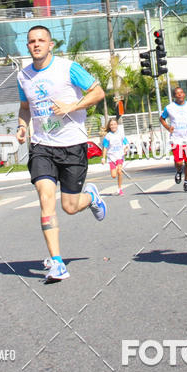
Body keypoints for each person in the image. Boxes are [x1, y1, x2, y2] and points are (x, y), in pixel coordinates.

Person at [16, 25, 106, 282]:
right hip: (42, 147)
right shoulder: (24, 76)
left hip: (72, 145)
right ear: (28, 46)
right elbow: (25, 107)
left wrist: (72, 105)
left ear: (51, 44)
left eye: (41, 40)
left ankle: (91, 197)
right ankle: (57, 262)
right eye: (32, 41)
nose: (36, 44)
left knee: (69, 206)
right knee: (46, 198)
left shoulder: (68, 68)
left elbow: (98, 92)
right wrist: (22, 127)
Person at [159, 87, 187, 192]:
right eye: (177, 93)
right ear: (174, 96)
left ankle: (186, 183)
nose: (180, 95)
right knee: (178, 162)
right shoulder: (169, 108)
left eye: (181, 93)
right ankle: (178, 171)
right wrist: (168, 127)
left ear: (184, 94)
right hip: (176, 138)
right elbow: (162, 118)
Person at [102, 117, 129, 194]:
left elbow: (126, 143)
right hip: (111, 158)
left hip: (119, 156)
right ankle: (116, 170)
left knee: (120, 171)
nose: (113, 126)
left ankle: (120, 189)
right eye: (111, 125)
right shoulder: (108, 136)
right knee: (114, 175)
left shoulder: (121, 134)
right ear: (109, 126)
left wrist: (126, 148)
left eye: (114, 124)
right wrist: (103, 158)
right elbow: (105, 148)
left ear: (117, 125)